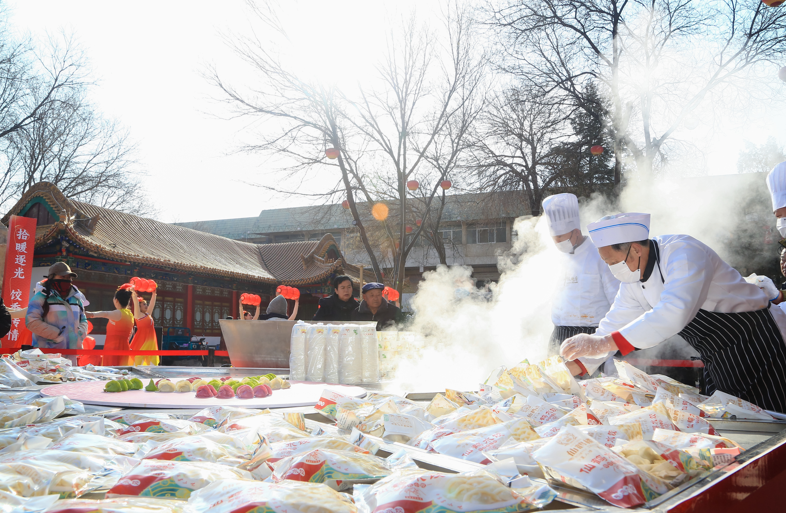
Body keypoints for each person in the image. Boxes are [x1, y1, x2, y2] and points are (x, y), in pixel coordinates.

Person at [560, 212, 786, 412]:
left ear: (635, 249)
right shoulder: (632, 279)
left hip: (758, 343)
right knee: (734, 424)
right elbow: (613, 326)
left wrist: (604, 343)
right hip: (717, 357)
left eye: (612, 262)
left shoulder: (683, 252)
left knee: (773, 422)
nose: (611, 269)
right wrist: (571, 367)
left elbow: (673, 313)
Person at [541, 194, 620, 371]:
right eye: (555, 238)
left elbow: (618, 301)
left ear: (576, 232)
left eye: (561, 237)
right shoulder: (555, 259)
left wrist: (612, 343)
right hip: (559, 336)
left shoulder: (599, 255)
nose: (558, 243)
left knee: (594, 387)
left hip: (592, 336)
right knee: (556, 384)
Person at [26, 263, 87, 364]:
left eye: (69, 277)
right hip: (46, 354)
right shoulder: (41, 297)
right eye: (62, 277)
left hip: (71, 353)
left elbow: (83, 319)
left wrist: (80, 334)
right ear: (52, 277)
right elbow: (31, 321)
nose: (66, 280)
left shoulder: (76, 298)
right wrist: (57, 335)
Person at [86, 287, 135, 367]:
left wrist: (91, 314)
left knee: (110, 370)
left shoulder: (118, 313)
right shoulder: (130, 315)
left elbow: (105, 313)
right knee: (122, 370)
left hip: (112, 348)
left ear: (116, 300)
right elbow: (131, 332)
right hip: (125, 347)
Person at [130, 287, 159, 366]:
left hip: (151, 342)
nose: (146, 305)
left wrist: (154, 294)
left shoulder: (148, 314)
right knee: (139, 363)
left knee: (151, 364)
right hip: (141, 342)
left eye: (146, 304)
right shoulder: (138, 315)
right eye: (143, 304)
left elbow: (152, 304)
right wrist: (133, 293)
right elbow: (136, 302)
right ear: (139, 307)